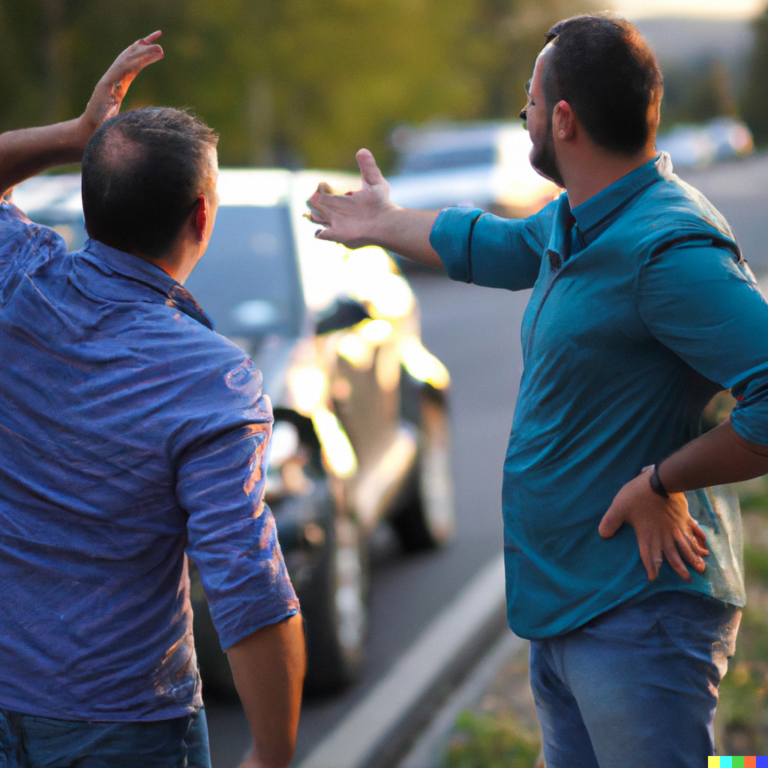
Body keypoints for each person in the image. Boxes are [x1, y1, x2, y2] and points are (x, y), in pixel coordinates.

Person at [307, 14, 768, 768]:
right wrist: (386, 223)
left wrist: (662, 479)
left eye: (528, 101)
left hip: (638, 610)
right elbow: (495, 243)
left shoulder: (667, 247)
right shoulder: (583, 220)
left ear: (562, 119)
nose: (523, 117)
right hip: (570, 606)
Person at [0, 33, 305, 768]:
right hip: (124, 729)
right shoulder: (211, 377)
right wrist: (272, 755)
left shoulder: (16, 280)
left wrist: (77, 134)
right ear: (202, 217)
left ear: (88, 197)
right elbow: (246, 580)